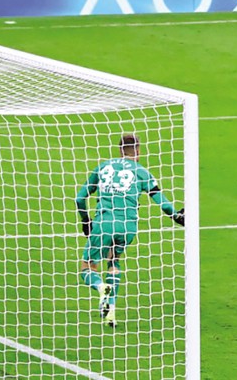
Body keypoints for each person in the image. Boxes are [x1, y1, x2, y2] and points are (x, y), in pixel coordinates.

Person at [76, 134, 185, 328]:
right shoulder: (142, 172)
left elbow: (79, 198)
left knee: (87, 267)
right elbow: (163, 203)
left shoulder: (103, 167)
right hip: (128, 227)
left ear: (120, 150)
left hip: (104, 223)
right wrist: (177, 216)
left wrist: (86, 221)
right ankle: (110, 313)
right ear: (138, 150)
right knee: (113, 261)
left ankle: (101, 287)